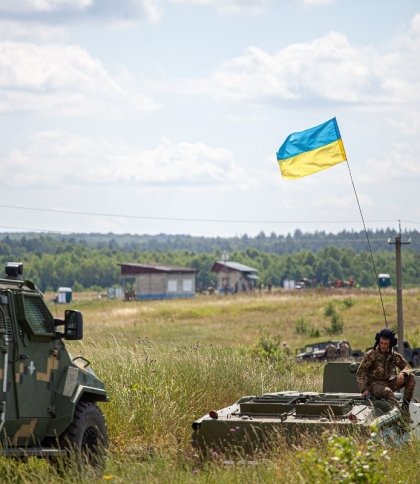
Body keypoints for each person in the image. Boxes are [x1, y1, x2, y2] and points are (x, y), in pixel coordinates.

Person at [356, 328, 416, 420]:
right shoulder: (371, 355)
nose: (383, 346)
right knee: (388, 392)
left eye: (386, 344)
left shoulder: (393, 355)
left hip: (387, 383)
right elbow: (361, 372)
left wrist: (403, 373)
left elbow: (407, 366)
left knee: (410, 377)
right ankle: (400, 418)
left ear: (390, 344)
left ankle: (405, 408)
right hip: (373, 385)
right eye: (381, 343)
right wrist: (364, 389)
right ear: (378, 341)